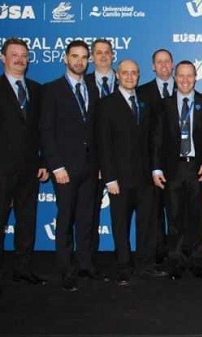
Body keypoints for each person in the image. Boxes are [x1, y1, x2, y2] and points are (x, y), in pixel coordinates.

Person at [0, 38, 49, 298]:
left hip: (30, 170)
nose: (20, 59)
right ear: (3, 58)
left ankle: (22, 269)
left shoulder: (36, 90)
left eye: (24, 55)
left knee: (27, 221)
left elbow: (41, 130)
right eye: (14, 54)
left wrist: (43, 162)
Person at [96, 60, 165, 286]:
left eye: (134, 73)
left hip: (145, 178)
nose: (129, 76)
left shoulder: (144, 102)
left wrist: (155, 170)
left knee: (147, 225)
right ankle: (123, 267)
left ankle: (145, 265)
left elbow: (153, 140)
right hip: (120, 179)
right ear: (117, 75)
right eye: (125, 73)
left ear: (138, 75)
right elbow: (103, 144)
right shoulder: (106, 104)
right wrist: (110, 178)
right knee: (121, 225)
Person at [40, 40, 99, 291]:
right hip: (64, 168)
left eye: (84, 57)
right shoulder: (51, 90)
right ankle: (66, 269)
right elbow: (46, 130)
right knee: (65, 219)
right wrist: (56, 166)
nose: (79, 61)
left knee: (86, 219)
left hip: (90, 167)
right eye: (75, 56)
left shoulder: (93, 88)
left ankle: (85, 264)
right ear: (65, 58)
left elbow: (95, 129)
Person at [151, 61, 202, 280]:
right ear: (175, 78)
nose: (185, 80)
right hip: (172, 169)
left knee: (197, 217)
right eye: (181, 76)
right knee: (174, 217)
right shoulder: (163, 104)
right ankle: (175, 260)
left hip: (198, 169)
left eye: (189, 76)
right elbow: (157, 138)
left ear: (196, 77)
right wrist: (156, 168)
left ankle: (195, 259)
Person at [137, 48, 175, 265]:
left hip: (179, 163)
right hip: (150, 163)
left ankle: (178, 251)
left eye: (167, 61)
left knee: (178, 212)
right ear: (153, 66)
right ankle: (159, 253)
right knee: (155, 211)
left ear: (172, 64)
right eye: (159, 62)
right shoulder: (141, 92)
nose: (163, 65)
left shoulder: (184, 87)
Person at [84, 38, 116, 281]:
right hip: (91, 162)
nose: (103, 56)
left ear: (113, 55)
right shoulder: (82, 84)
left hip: (123, 163)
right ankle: (87, 261)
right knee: (89, 214)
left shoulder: (127, 81)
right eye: (98, 52)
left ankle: (124, 261)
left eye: (107, 52)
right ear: (92, 57)